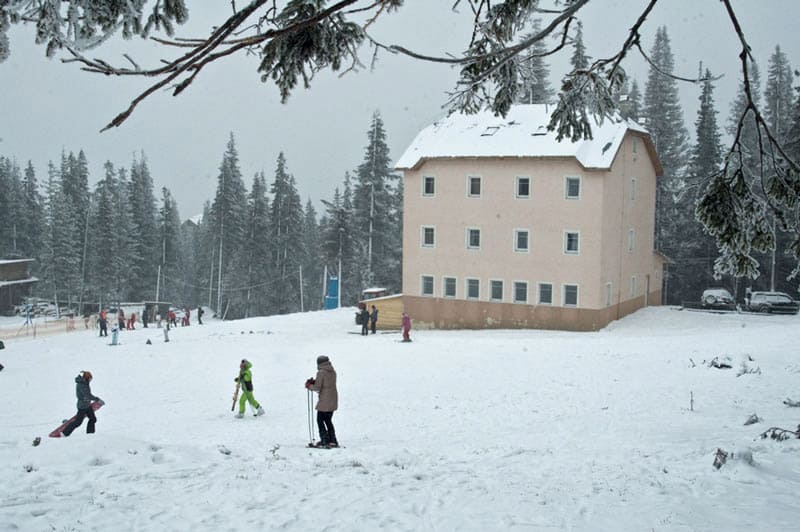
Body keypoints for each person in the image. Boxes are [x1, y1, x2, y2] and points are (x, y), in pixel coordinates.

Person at [305, 355, 339, 448]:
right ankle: (333, 440)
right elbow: (326, 383)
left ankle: (324, 440)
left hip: (325, 400)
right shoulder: (332, 371)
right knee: (328, 420)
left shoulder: (321, 372)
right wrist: (315, 382)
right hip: (333, 399)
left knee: (320, 420)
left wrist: (309, 386)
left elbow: (317, 388)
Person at [62, 371, 102, 436]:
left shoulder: (85, 383)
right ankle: (65, 433)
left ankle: (90, 434)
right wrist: (97, 399)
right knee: (78, 422)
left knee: (93, 419)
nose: (90, 380)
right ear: (87, 378)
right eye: (90, 378)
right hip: (82, 406)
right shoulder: (82, 384)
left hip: (87, 405)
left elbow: (87, 395)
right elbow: (88, 395)